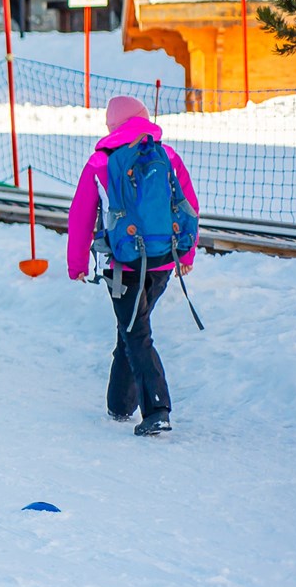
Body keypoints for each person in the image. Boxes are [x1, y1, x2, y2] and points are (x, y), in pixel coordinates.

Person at [66, 95, 200, 437]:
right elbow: (188, 207)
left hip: (121, 264)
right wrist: (185, 255)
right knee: (130, 329)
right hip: (162, 261)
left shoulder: (100, 162)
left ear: (112, 124)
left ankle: (157, 409)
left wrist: (77, 262)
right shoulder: (166, 155)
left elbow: (81, 216)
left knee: (136, 333)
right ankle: (120, 404)